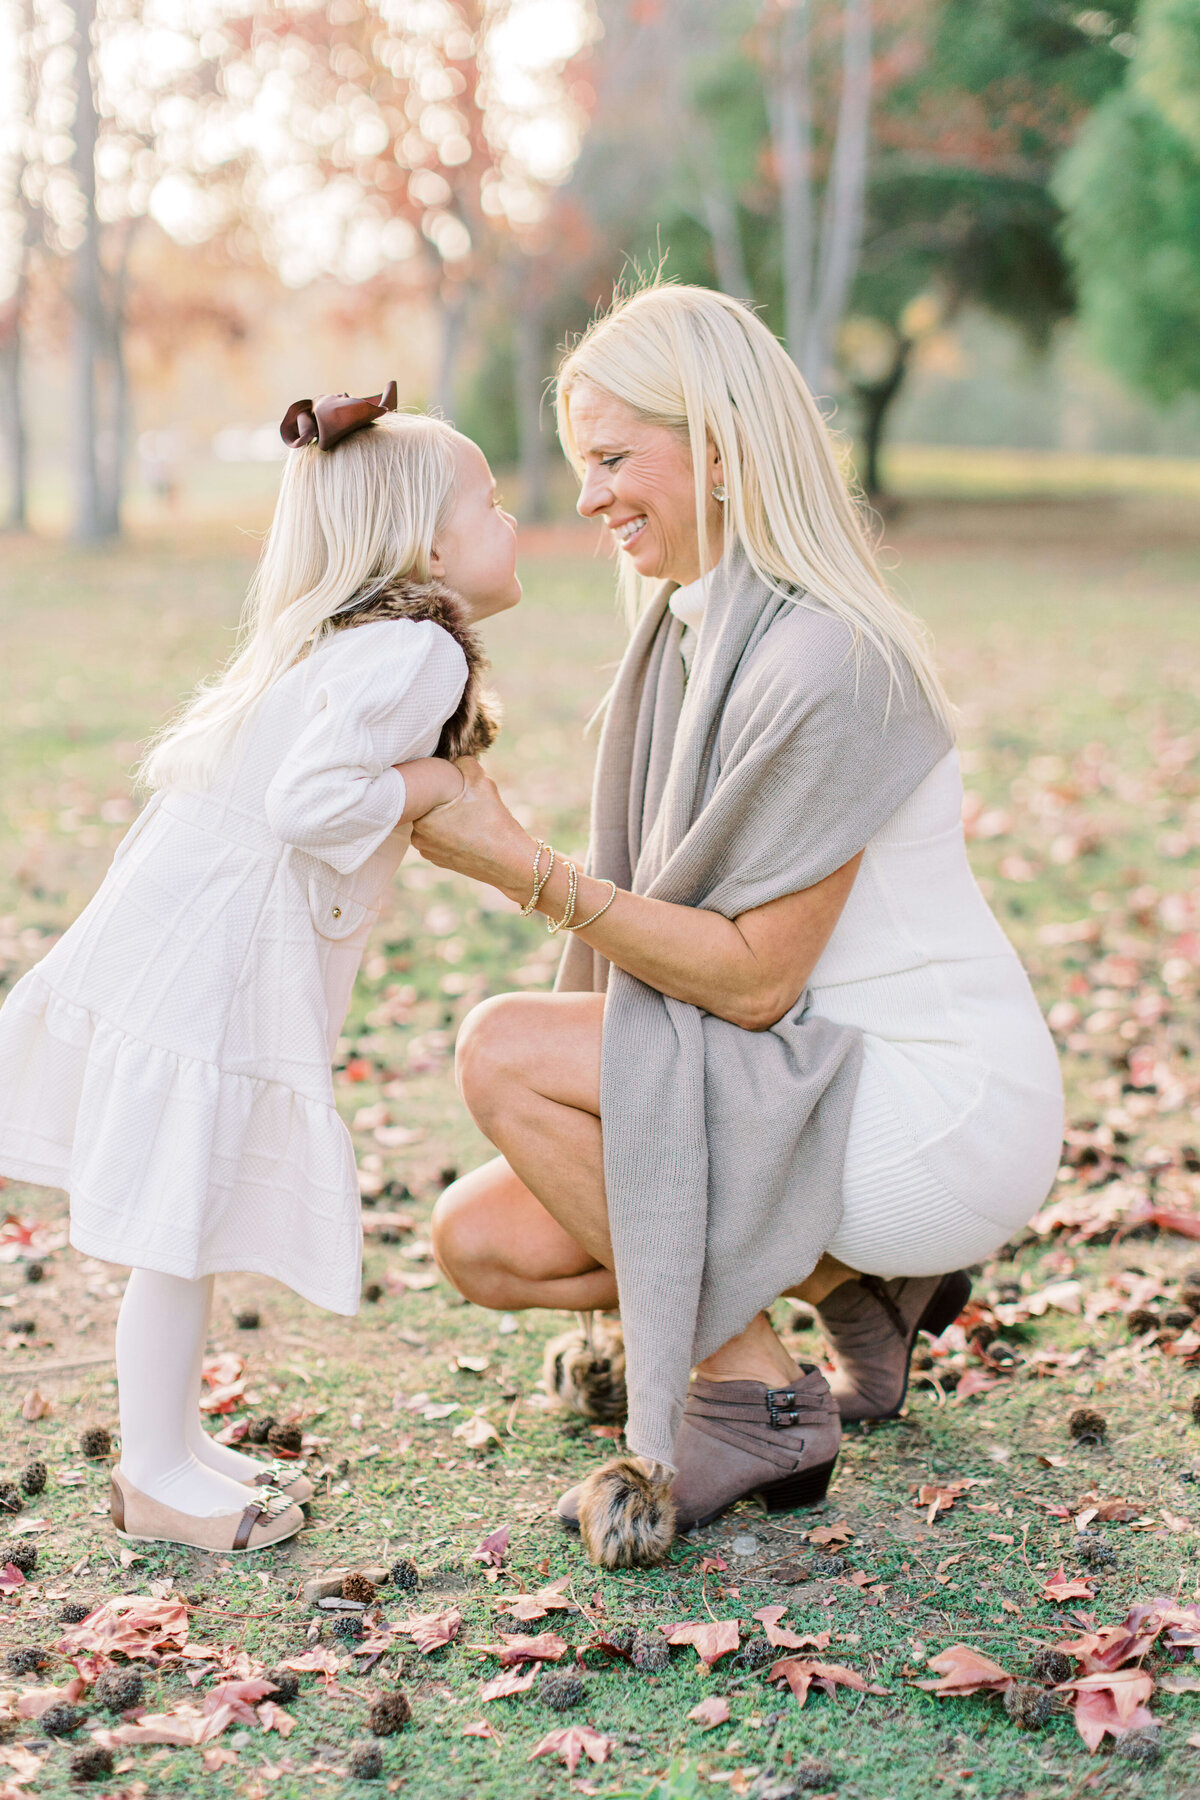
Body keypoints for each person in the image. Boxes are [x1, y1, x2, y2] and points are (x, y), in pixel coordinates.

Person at [414, 284, 1065, 1567]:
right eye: (579, 463)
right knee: (479, 1242)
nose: (590, 498)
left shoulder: (829, 657)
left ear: (718, 442)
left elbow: (759, 981)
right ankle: (856, 1293)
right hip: (805, 1067)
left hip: (929, 1103)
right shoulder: (692, 632)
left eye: (613, 459)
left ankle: (755, 1396)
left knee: (504, 1052)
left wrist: (520, 867)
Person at [0, 386, 519, 1553]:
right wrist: (432, 787)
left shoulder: (355, 642)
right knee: (176, 1228)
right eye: (492, 503)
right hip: (215, 961)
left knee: (181, 1223)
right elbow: (311, 802)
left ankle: (173, 1447)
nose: (516, 521)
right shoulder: (421, 650)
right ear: (430, 546)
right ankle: (153, 1472)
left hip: (188, 933)